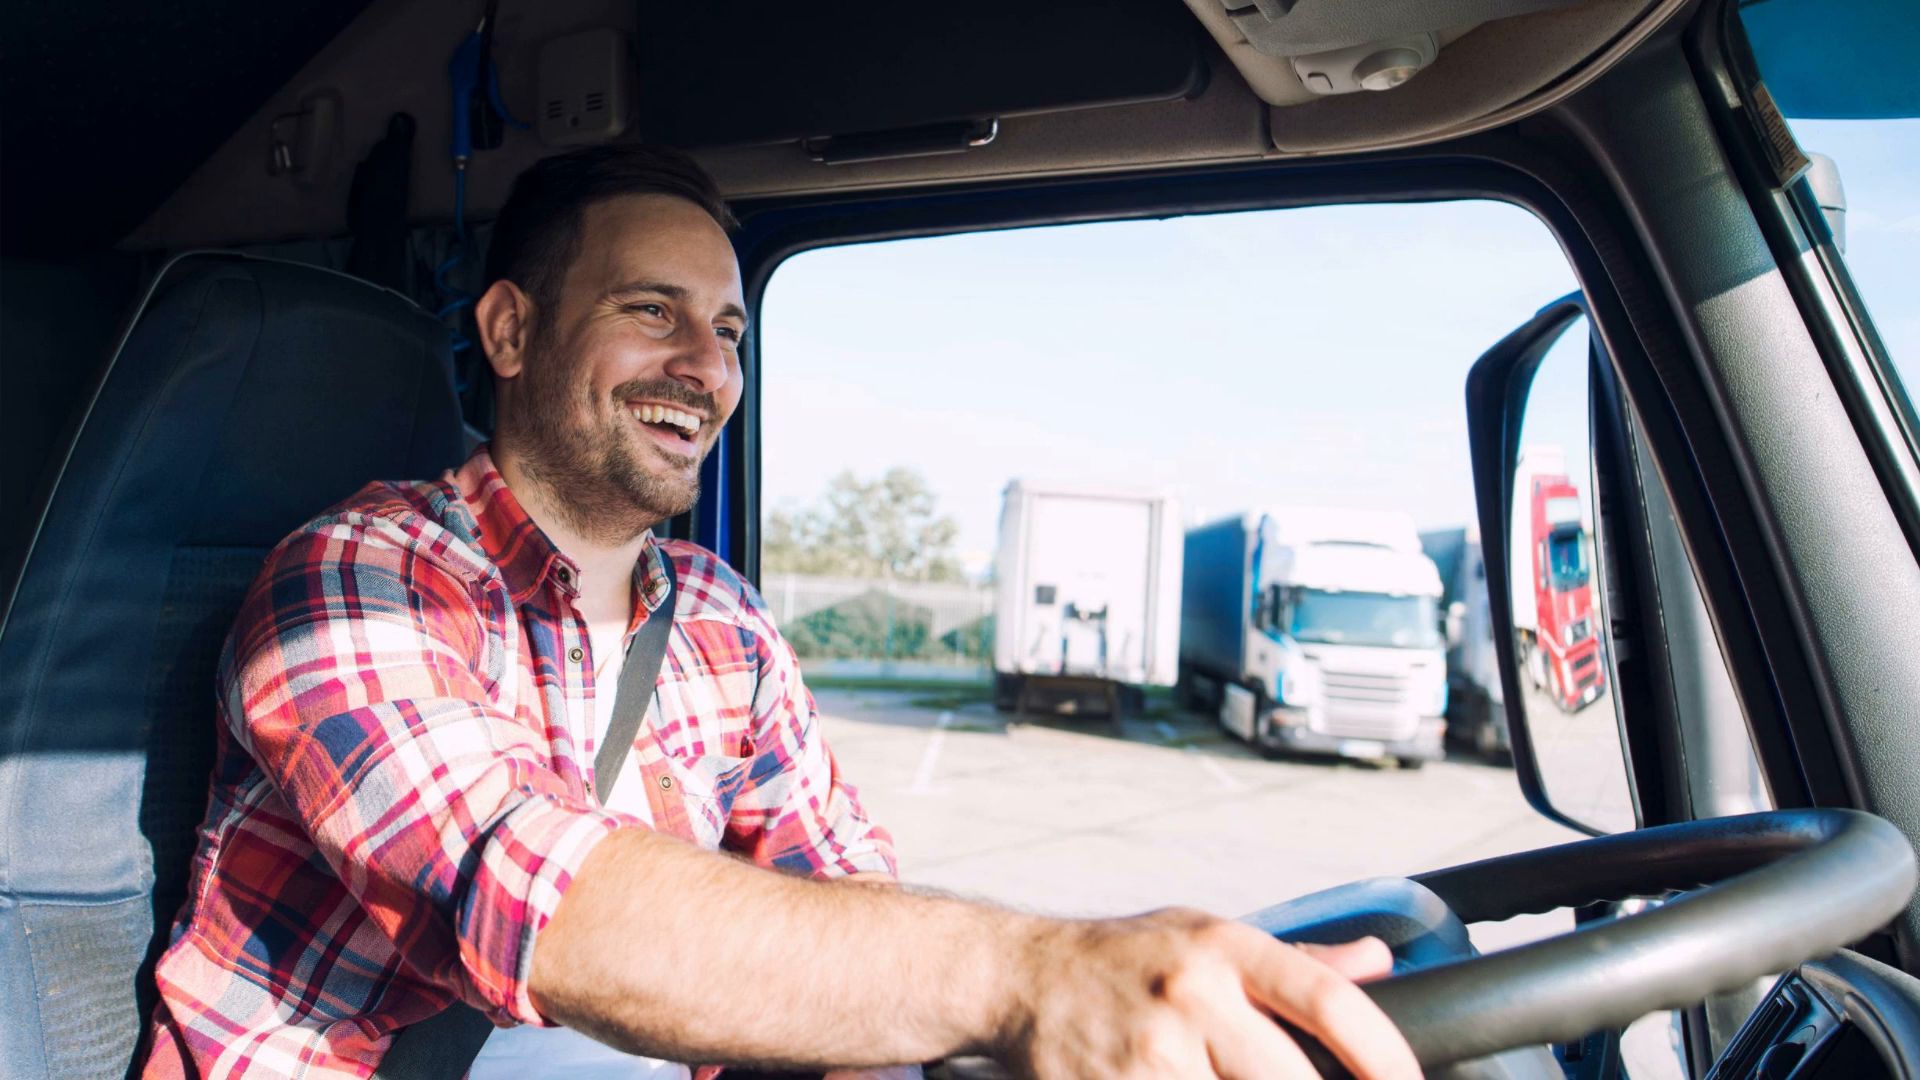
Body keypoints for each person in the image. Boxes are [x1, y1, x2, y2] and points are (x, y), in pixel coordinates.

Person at [140, 144, 1419, 1080]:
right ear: (514, 332)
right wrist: (1031, 974)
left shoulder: (719, 621)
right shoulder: (356, 576)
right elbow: (528, 898)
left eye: (730, 331)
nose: (707, 367)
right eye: (652, 311)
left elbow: (835, 892)